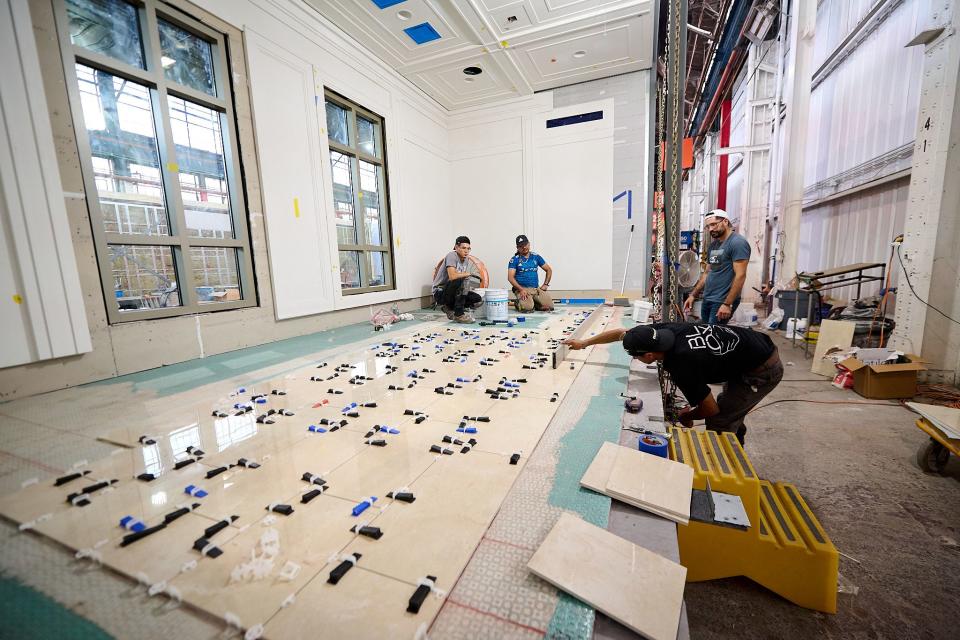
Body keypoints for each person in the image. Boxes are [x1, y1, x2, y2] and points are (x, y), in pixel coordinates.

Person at [564, 322, 782, 445]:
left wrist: (686, 415)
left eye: (635, 356)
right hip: (751, 347)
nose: (635, 359)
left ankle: (724, 479)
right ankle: (736, 438)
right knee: (731, 408)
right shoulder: (662, 332)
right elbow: (620, 333)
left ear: (648, 356)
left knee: (720, 421)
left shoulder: (680, 364)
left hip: (762, 369)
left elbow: (709, 408)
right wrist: (583, 343)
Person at [684, 209, 750, 324]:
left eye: (714, 224)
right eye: (708, 226)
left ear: (725, 221)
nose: (710, 229)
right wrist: (692, 295)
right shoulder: (714, 245)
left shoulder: (737, 243)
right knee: (705, 333)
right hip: (708, 298)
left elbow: (740, 276)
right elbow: (707, 273)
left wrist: (727, 304)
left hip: (722, 300)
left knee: (713, 337)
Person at [432, 236, 482, 323]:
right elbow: (452, 276)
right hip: (440, 292)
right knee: (459, 279)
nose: (466, 251)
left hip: (452, 292)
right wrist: (467, 274)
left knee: (477, 299)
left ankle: (449, 307)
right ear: (456, 247)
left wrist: (466, 291)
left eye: (468, 248)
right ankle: (459, 314)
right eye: (463, 248)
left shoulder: (466, 259)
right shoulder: (452, 255)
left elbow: (463, 280)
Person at [507, 235, 554, 312]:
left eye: (525, 245)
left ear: (529, 244)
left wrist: (546, 284)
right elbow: (510, 278)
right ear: (517, 248)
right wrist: (521, 289)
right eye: (521, 246)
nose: (524, 247)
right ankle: (517, 303)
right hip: (522, 289)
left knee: (550, 306)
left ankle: (535, 303)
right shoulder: (514, 260)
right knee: (527, 308)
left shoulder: (536, 257)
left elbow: (549, 270)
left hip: (535, 288)